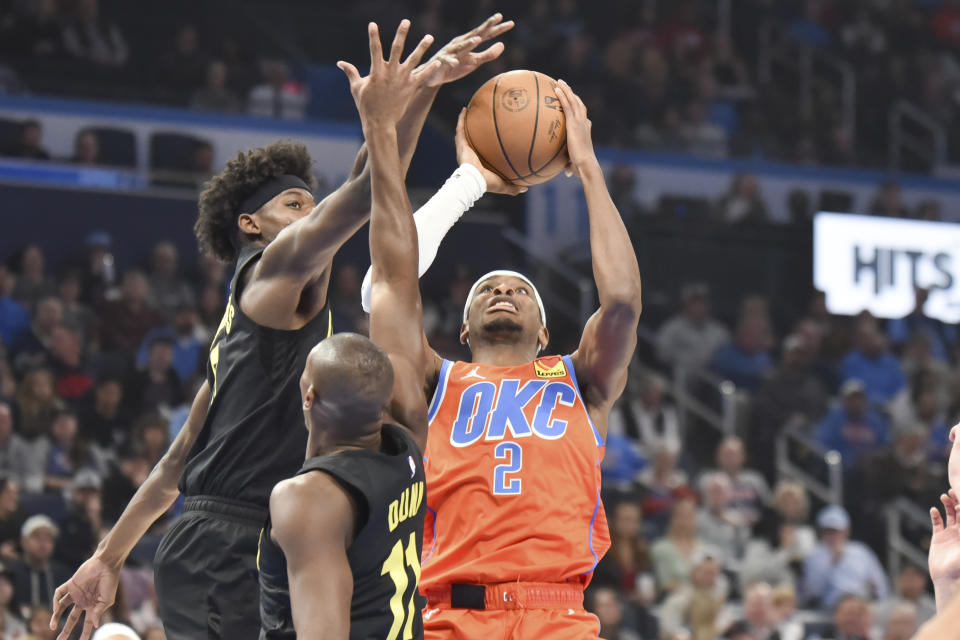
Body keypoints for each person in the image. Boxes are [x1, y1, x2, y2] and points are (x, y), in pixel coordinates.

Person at [50, 14, 514, 640]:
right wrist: (403, 103)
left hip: (235, 533)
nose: (310, 215)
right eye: (295, 205)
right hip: (227, 542)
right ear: (251, 225)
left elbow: (176, 464)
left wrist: (105, 560)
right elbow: (360, 197)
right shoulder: (271, 275)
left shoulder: (243, 334)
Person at [365, 78, 641, 638]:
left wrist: (587, 166)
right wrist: (466, 182)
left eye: (521, 290)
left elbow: (622, 302)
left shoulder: (579, 378)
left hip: (558, 613)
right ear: (462, 328)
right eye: (487, 288)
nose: (504, 291)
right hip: (449, 614)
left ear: (545, 333)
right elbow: (388, 284)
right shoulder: (432, 381)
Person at [258, 22, 436, 637]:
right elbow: (392, 277)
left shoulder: (307, 500)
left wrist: (384, 122)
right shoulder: (409, 442)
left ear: (307, 397)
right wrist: (408, 105)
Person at [801, 505, 888, 610]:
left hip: (862, 604)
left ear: (846, 531)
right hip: (831, 608)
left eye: (836, 531)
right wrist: (833, 563)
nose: (833, 536)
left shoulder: (861, 551)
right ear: (822, 532)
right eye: (828, 531)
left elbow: (881, 586)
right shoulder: (814, 555)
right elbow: (812, 593)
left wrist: (874, 590)